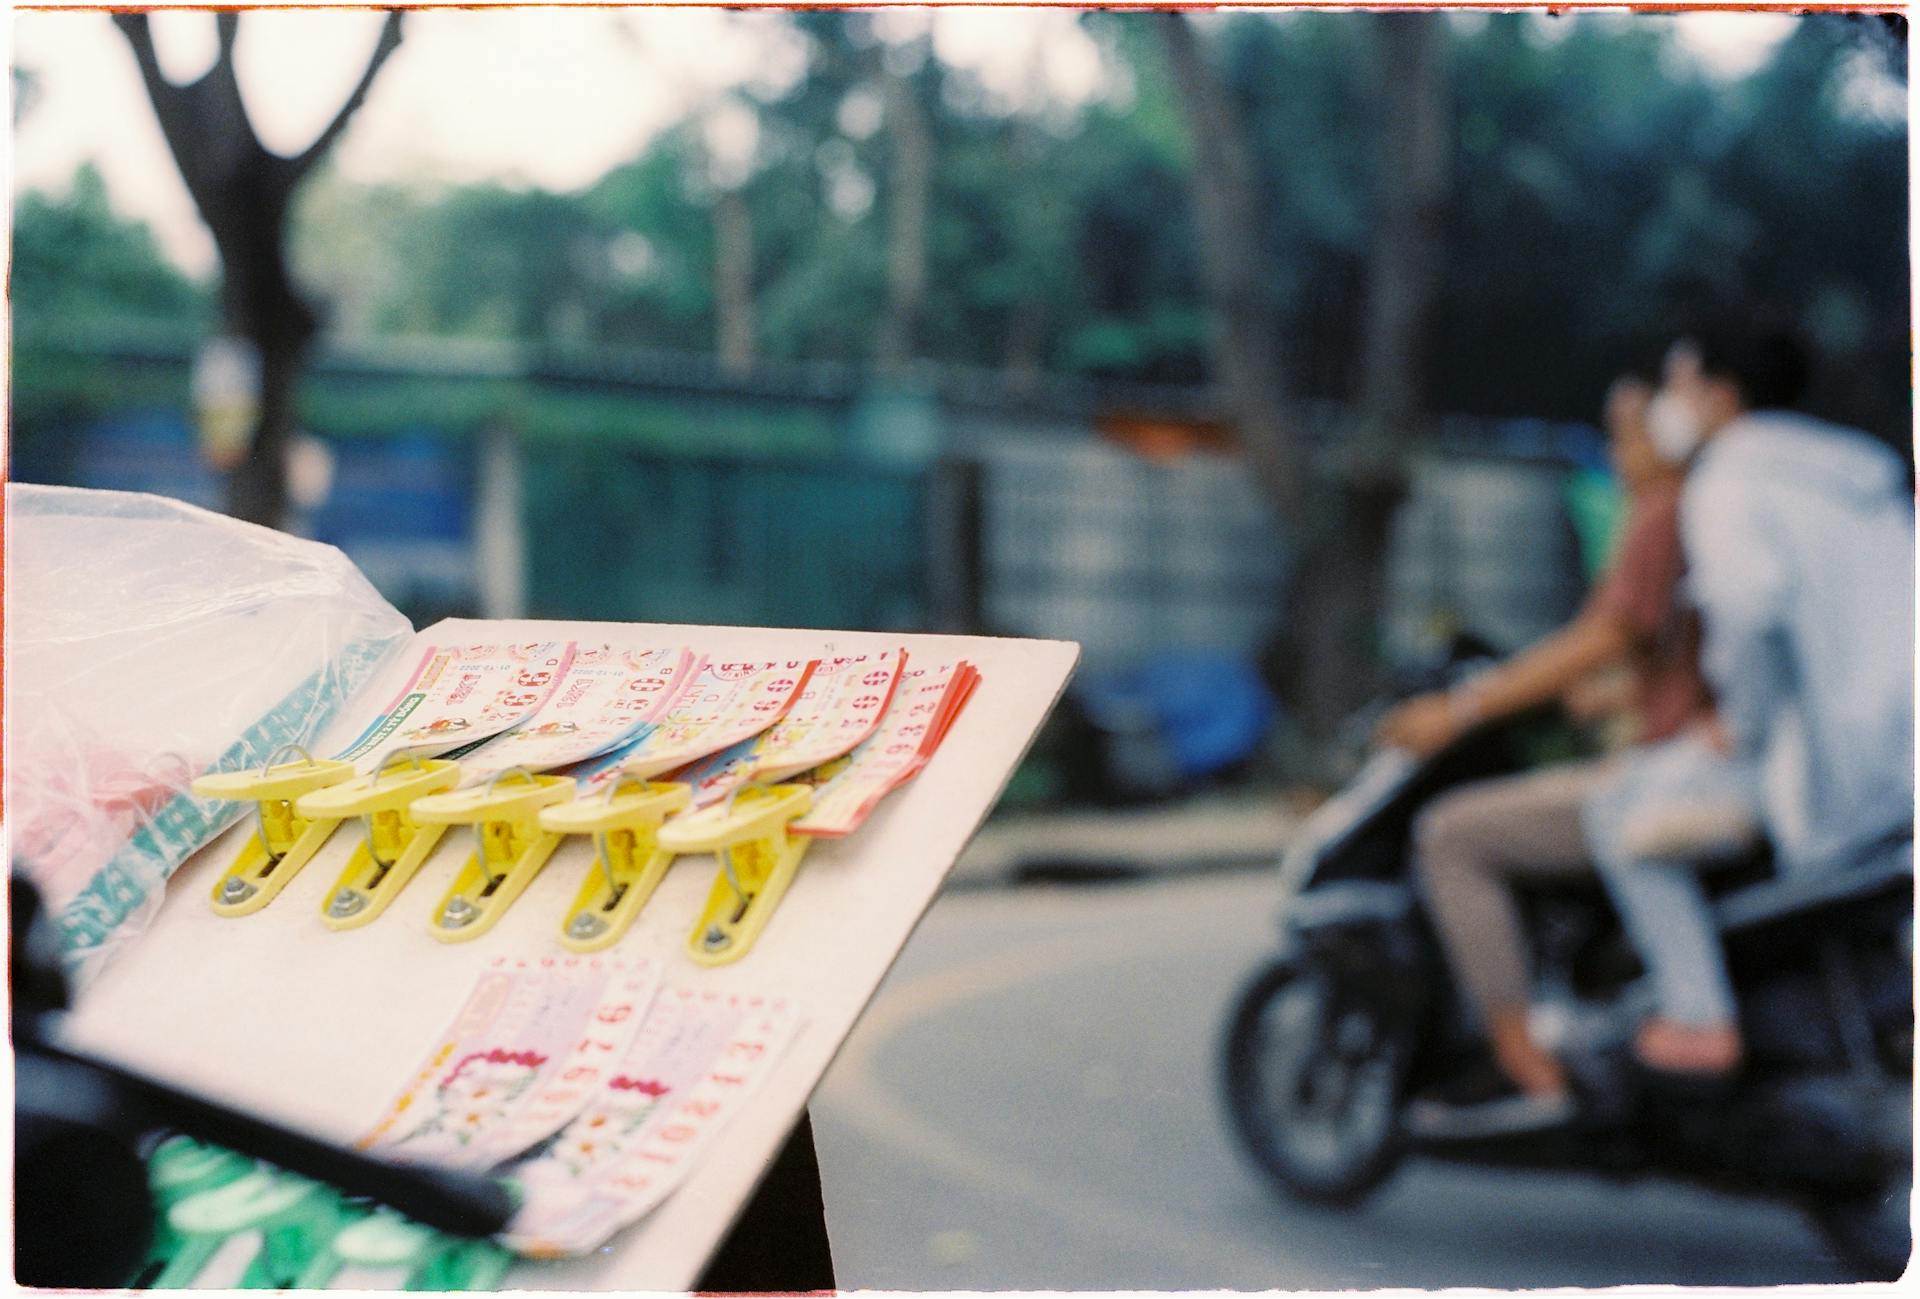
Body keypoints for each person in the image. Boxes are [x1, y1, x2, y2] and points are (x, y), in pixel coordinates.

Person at [1378, 369, 1715, 1131]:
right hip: (1685, 758)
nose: (1617, 449)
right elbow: (1683, 666)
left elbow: (1601, 637)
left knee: (1452, 835)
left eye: (1625, 431)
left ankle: (1522, 1060)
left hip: (1672, 773)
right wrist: (1613, 696)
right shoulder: (1700, 512)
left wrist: (1461, 706)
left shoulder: (1664, 513)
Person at [1583, 320, 1915, 1080]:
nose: (1668, 404)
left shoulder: (1728, 482)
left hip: (1820, 765)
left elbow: (1749, 608)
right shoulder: (1859, 477)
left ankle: (1697, 1014)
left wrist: (1742, 724)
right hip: (1899, 762)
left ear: (1721, 395)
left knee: (1617, 812)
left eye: (1677, 383)